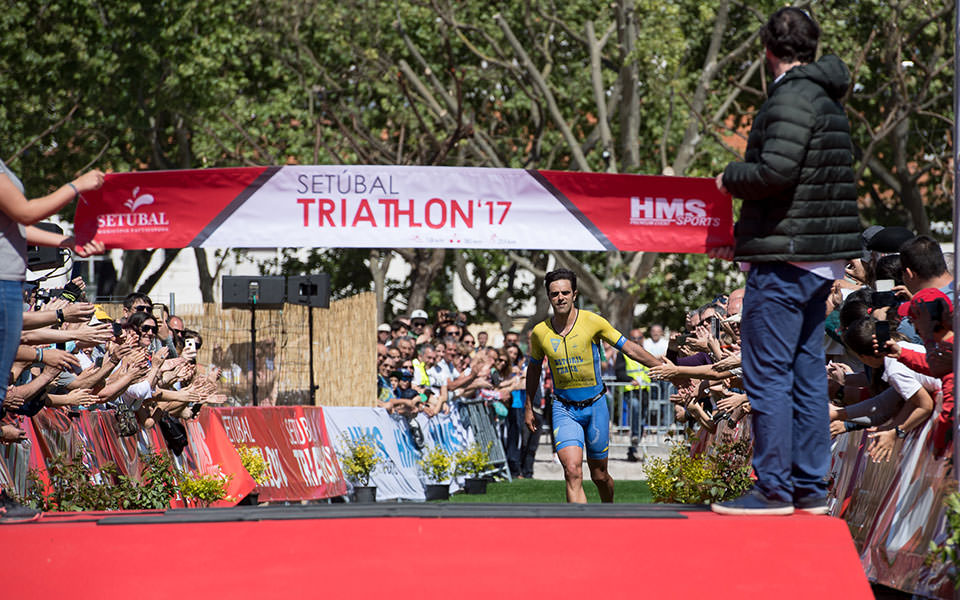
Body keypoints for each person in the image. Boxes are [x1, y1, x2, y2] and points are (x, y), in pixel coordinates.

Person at [710, 7, 861, 515]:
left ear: (769, 51)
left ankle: (773, 487)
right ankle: (808, 488)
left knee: (768, 374)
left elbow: (775, 170)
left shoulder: (791, 98)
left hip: (787, 258)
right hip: (817, 258)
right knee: (803, 370)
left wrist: (730, 177)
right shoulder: (827, 101)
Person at [524, 268, 661, 503]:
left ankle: (608, 510)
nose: (560, 298)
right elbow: (534, 368)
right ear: (549, 296)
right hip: (564, 408)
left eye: (565, 292)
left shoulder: (593, 321)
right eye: (555, 293)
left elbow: (628, 347)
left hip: (595, 406)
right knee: (572, 470)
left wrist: (661, 367)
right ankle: (581, 529)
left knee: (599, 475)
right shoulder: (539, 332)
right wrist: (529, 406)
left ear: (575, 294)